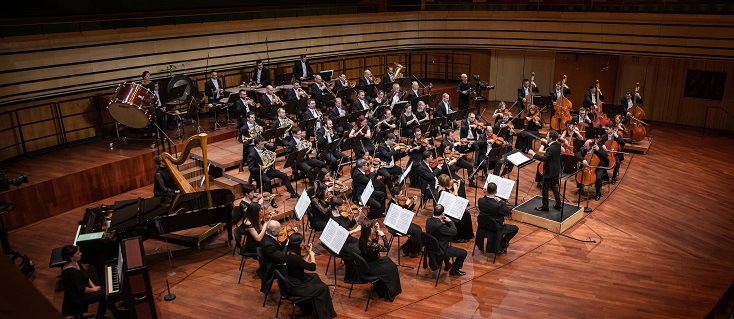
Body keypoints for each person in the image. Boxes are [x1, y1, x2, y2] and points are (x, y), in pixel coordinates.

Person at [283, 233, 337, 319]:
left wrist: (307, 255)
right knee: (323, 288)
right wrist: (312, 256)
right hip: (296, 286)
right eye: (302, 242)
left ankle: (313, 306)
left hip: (293, 279)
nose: (303, 243)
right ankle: (324, 315)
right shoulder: (294, 258)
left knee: (315, 277)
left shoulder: (289, 252)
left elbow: (302, 263)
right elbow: (312, 267)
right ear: (298, 244)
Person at [61, 245, 119, 319]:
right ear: (71, 257)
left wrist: (94, 286)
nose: (81, 254)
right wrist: (93, 290)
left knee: (106, 290)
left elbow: (85, 275)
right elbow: (81, 289)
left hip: (84, 290)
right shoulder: (71, 272)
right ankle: (112, 314)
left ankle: (104, 315)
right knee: (106, 293)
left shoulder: (76, 262)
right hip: (77, 297)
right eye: (78, 253)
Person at [357, 218, 402, 302]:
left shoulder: (362, 239)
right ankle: (390, 291)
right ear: (370, 229)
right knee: (393, 267)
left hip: (367, 263)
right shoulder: (370, 244)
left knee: (388, 261)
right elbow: (386, 248)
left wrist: (377, 232)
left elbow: (374, 245)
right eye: (373, 227)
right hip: (373, 266)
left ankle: (381, 287)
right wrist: (383, 235)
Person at [476, 183, 518, 254]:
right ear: (496, 192)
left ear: (486, 190)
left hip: (482, 227)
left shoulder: (480, 201)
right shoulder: (498, 205)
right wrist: (501, 201)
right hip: (495, 228)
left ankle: (499, 243)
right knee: (515, 228)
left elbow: (486, 204)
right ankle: (502, 244)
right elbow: (508, 212)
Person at [425, 204, 467, 276]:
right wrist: (450, 222)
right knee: (464, 253)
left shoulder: (428, 220)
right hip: (440, 249)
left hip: (430, 247)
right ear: (442, 213)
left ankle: (447, 264)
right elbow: (454, 232)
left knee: (445, 240)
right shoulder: (440, 226)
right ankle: (454, 270)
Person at [528, 130, 563, 211]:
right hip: (556, 170)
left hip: (549, 171)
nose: (546, 137)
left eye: (547, 136)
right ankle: (558, 204)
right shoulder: (557, 144)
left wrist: (533, 154)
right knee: (554, 187)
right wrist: (545, 142)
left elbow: (544, 158)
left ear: (550, 138)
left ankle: (545, 206)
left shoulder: (550, 149)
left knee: (545, 189)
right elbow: (551, 146)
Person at [436, 174, 473, 243]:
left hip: (450, 206)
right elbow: (454, 199)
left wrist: (457, 186)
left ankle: (468, 235)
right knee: (463, 215)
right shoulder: (442, 191)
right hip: (447, 210)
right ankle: (461, 237)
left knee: (467, 213)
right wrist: (456, 188)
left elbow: (451, 195)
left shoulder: (444, 187)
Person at [259, 220, 287, 293]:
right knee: (294, 266)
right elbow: (282, 258)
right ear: (273, 232)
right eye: (278, 229)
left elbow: (279, 246)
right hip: (273, 266)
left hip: (274, 258)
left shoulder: (270, 235)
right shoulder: (268, 244)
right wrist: (287, 245)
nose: (280, 230)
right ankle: (290, 289)